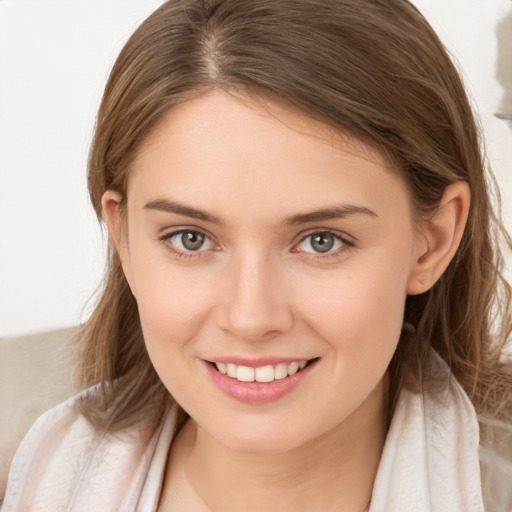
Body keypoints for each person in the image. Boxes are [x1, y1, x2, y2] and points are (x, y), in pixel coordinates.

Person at [3, 0, 512, 510]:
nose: (250, 318)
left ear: (434, 240)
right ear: (124, 239)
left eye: (321, 241)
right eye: (191, 239)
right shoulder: (23, 483)